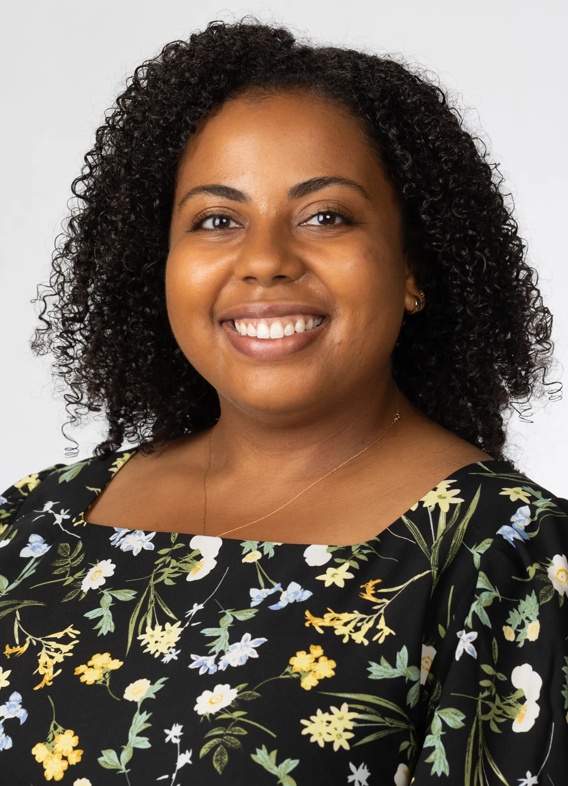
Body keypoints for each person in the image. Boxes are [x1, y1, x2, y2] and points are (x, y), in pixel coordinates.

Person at [0, 19, 566, 785]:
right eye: (217, 220)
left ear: (413, 266)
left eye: (326, 216)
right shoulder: (31, 528)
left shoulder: (507, 554)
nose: (264, 261)